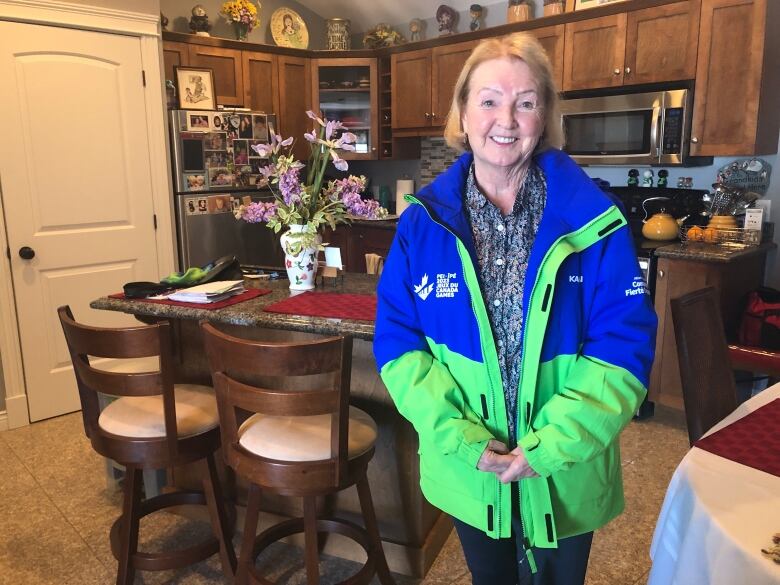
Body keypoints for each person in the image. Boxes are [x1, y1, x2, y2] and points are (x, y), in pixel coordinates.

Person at [373, 33, 656, 585]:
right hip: (468, 464)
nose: (507, 118)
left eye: (525, 102)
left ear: (544, 114)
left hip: (567, 465)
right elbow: (398, 344)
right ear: (462, 112)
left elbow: (623, 351)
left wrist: (546, 448)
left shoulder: (596, 220)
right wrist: (462, 439)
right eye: (489, 100)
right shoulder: (420, 224)